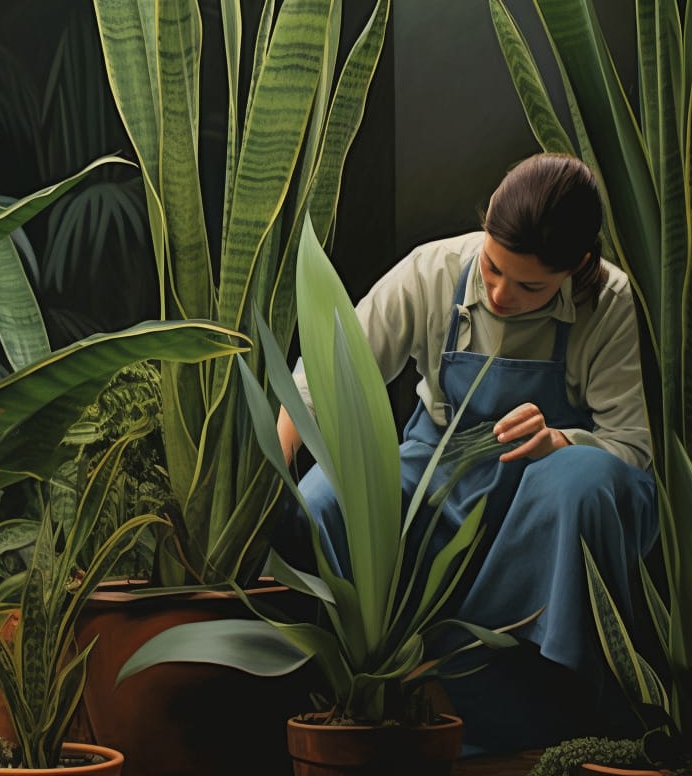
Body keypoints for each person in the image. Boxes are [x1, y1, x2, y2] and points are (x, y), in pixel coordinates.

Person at [276, 152, 658, 754]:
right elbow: (329, 370)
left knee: (582, 479)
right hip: (435, 466)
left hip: (542, 483)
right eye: (493, 268)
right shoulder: (433, 269)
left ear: (576, 266)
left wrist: (561, 440)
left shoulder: (607, 300)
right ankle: (348, 708)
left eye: (530, 285)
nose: (503, 294)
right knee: (321, 498)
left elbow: (630, 448)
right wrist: (275, 463)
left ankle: (527, 714)